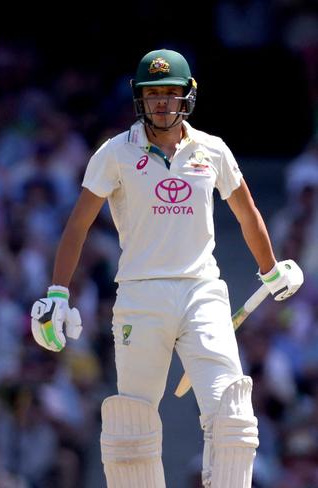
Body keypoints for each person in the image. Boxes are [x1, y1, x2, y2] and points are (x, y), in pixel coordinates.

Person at [30, 48, 304, 488]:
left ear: (187, 97)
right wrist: (58, 293)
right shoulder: (115, 153)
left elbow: (247, 211)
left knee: (232, 416)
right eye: (152, 94)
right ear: (139, 99)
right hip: (140, 296)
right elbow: (78, 224)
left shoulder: (212, 149)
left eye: (170, 93)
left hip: (202, 292)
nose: (161, 103)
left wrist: (271, 271)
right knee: (132, 428)